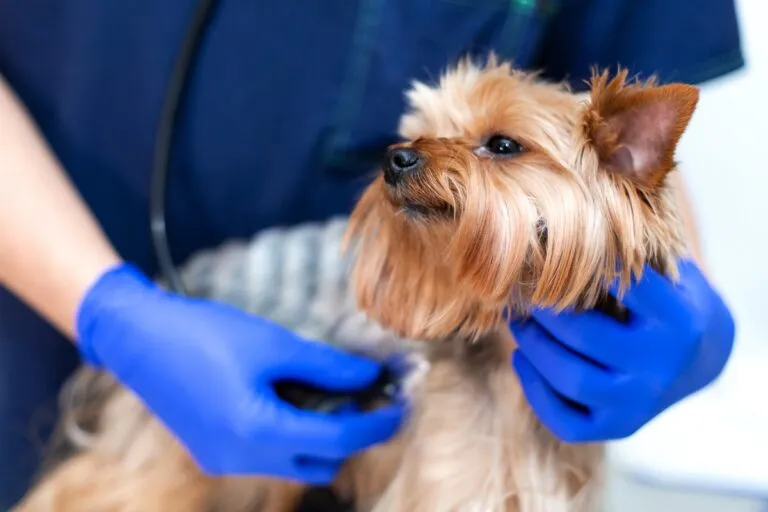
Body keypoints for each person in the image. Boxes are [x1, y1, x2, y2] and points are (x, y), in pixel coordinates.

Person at [0, 0, 741, 508]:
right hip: (47, 290)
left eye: (500, 146)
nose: (409, 159)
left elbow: (639, 168)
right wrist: (109, 312)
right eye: (418, 137)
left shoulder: (621, 153)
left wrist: (686, 312)